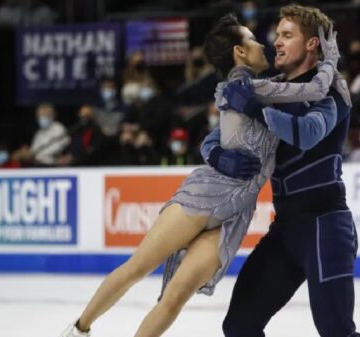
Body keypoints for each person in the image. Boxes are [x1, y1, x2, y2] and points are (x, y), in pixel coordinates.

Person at [60, 12, 341, 337]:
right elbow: (317, 87)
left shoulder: (264, 88)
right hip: (207, 193)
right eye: (251, 39)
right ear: (239, 52)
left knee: (176, 296)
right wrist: (330, 59)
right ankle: (79, 330)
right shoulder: (245, 86)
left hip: (236, 212)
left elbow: (218, 135)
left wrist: (214, 149)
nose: (262, 43)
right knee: (138, 267)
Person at [202, 5, 360, 337]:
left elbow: (306, 133)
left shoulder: (331, 91)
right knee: (239, 327)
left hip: (326, 226)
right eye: (277, 34)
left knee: (337, 331)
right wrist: (217, 154)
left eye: (287, 35)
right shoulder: (269, 89)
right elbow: (213, 138)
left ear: (312, 44)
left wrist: (257, 111)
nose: (276, 41)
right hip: (286, 230)